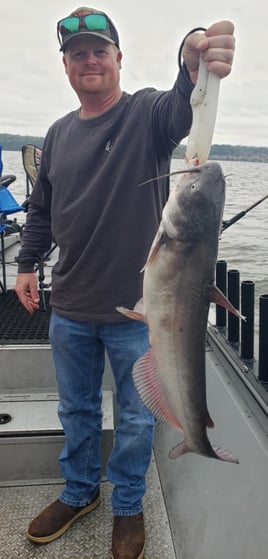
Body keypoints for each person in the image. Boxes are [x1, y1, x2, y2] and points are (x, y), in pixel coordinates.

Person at [15, 6, 235, 559]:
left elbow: (180, 108)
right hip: (69, 306)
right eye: (77, 53)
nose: (89, 60)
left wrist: (193, 57)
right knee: (78, 411)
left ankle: (128, 505)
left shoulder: (144, 116)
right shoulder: (59, 133)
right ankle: (80, 492)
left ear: (118, 59)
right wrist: (25, 264)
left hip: (137, 315)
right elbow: (40, 208)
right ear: (65, 66)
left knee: (136, 418)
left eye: (100, 51)